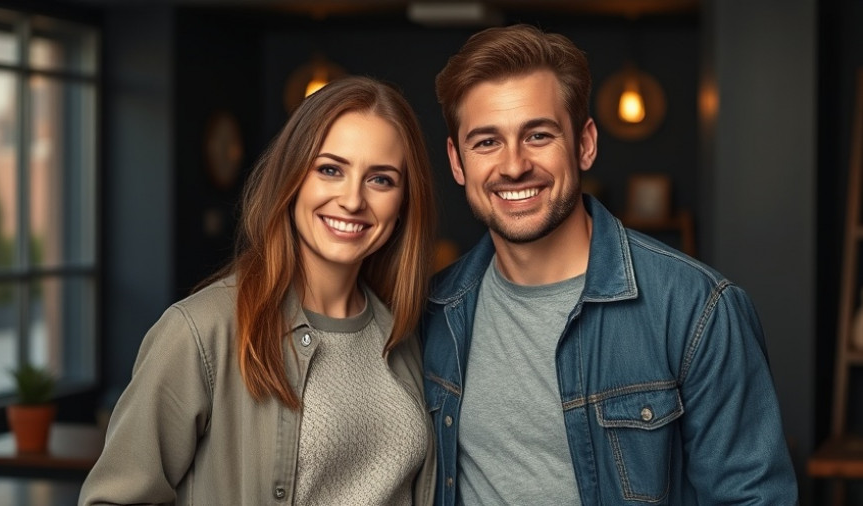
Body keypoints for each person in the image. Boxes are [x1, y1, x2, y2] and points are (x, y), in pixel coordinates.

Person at [421, 24, 798, 505]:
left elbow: (753, 498)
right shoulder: (432, 312)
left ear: (584, 144)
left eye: (538, 135)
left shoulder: (697, 309)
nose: (513, 165)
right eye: (486, 142)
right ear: (457, 162)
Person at [80, 76, 436, 505]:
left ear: (402, 205)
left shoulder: (402, 336)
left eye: (380, 179)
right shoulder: (201, 332)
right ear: (293, 178)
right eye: (329, 169)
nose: (352, 200)